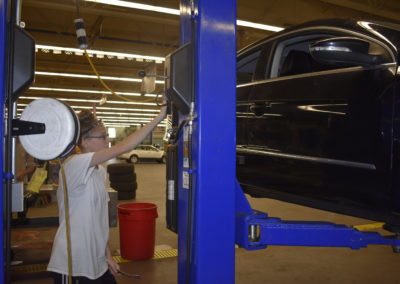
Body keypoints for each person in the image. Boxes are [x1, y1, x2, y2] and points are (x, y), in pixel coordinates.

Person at [47, 105, 167, 283]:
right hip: (74, 264)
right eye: (103, 136)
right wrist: (160, 116)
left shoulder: (99, 171)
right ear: (85, 141)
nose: (108, 139)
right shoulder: (73, 165)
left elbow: (99, 221)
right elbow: (125, 146)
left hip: (98, 261)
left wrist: (108, 256)